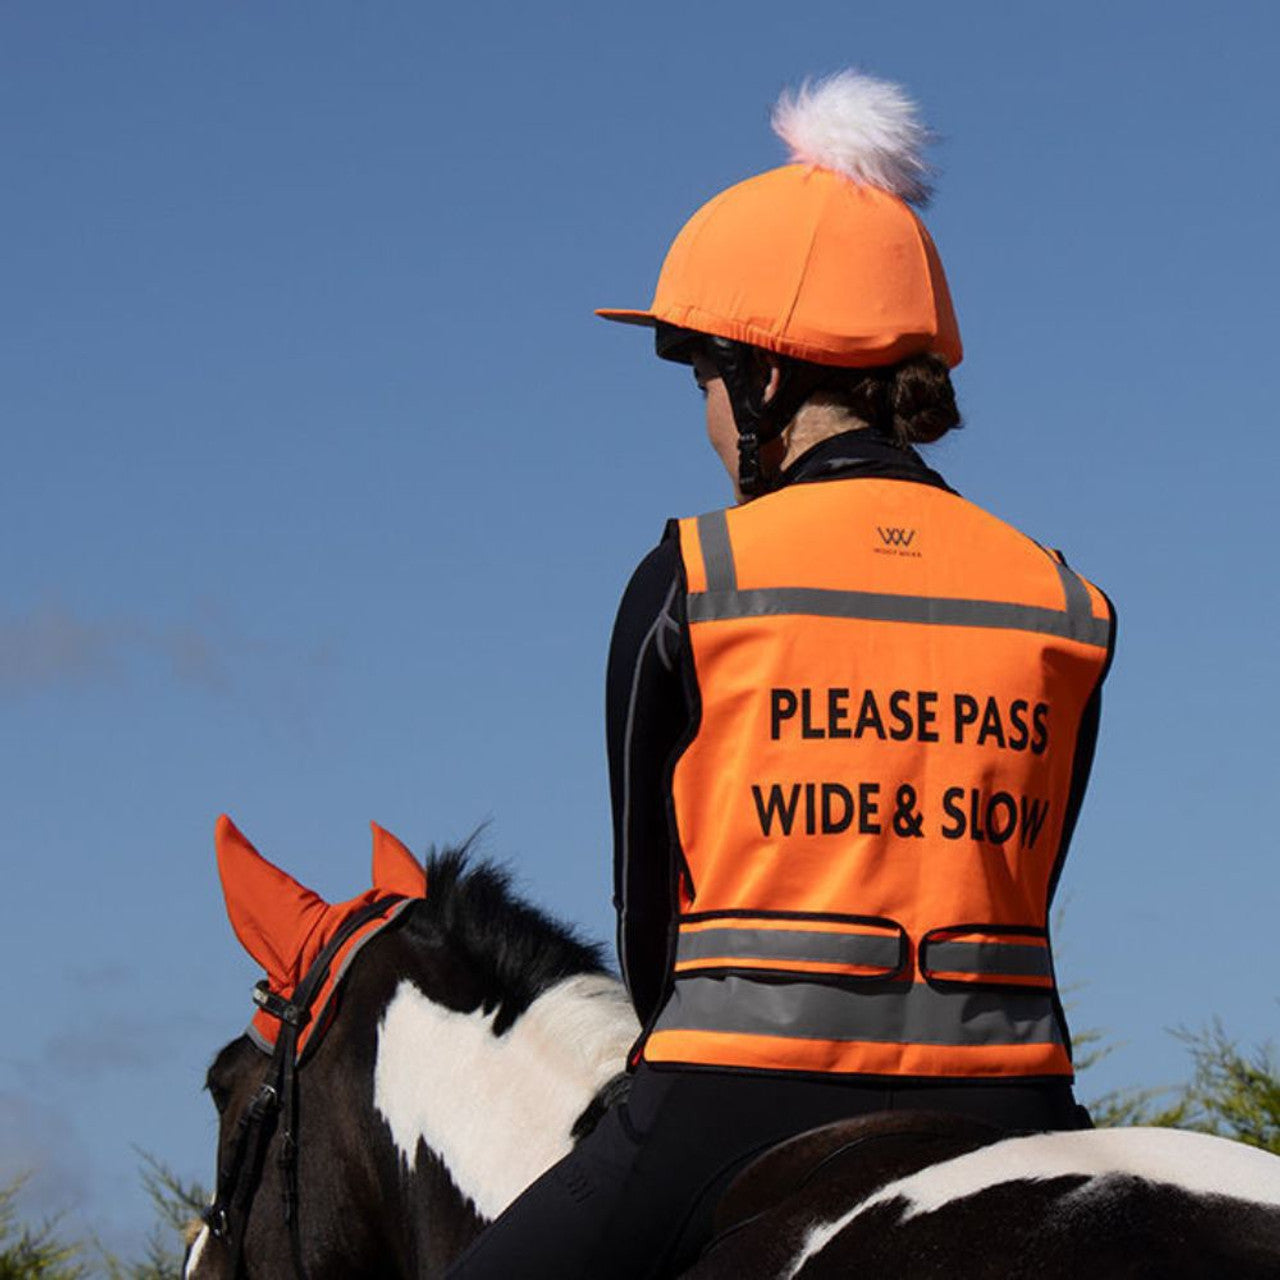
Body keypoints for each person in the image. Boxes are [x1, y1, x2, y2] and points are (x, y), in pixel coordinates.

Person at [446, 69, 1115, 1279]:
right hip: (1014, 1099)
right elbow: (1028, 871)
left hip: (728, 1101)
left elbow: (648, 916)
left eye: (697, 370)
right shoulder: (1063, 601)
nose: (701, 412)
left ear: (761, 377)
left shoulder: (694, 574)